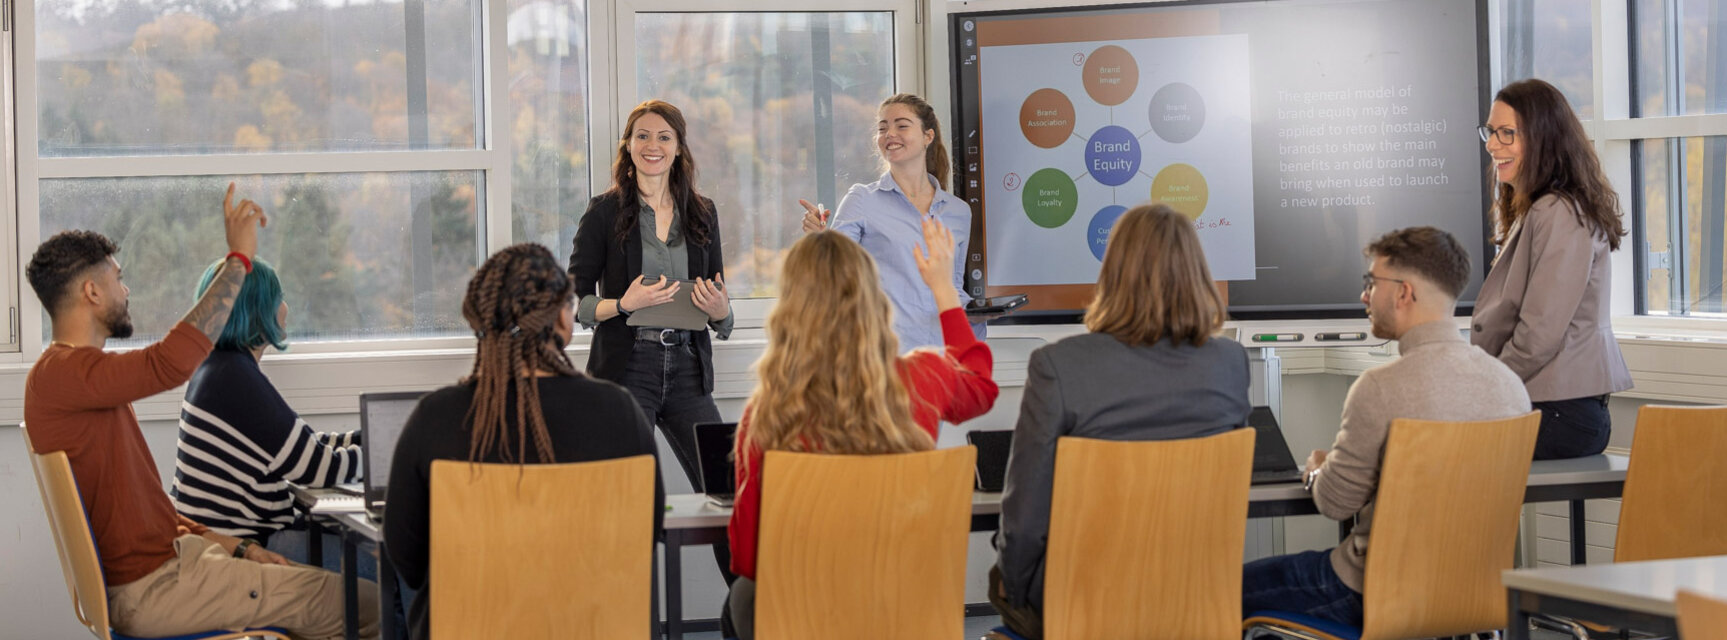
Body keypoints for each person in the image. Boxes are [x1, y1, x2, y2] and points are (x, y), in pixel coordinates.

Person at [23, 183, 379, 640]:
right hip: (157, 587)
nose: (125, 288)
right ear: (92, 291)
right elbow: (167, 361)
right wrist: (239, 259)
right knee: (366, 605)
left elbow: (152, 512)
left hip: (176, 562)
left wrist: (240, 548)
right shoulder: (65, 376)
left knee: (347, 595)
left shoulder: (81, 381)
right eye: (118, 277)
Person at [1240, 227, 1531, 626]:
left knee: (1218, 588)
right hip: (1479, 592)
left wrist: (1317, 471)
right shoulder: (1510, 387)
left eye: (1370, 283)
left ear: (1403, 293)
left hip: (1369, 592)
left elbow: (1334, 504)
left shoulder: (1379, 389)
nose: (1364, 296)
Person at [724, 220, 998, 639]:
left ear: (788, 313)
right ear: (875, 301)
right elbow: (980, 384)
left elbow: (747, 555)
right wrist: (943, 289)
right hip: (901, 608)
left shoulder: (766, 414)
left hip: (802, 617)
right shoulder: (924, 379)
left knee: (742, 595)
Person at [988, 204, 1250, 639]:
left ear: (1113, 271)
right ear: (1196, 271)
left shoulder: (1058, 365)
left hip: (1081, 602)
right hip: (1192, 597)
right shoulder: (1230, 363)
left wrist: (1011, 587)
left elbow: (1025, 517)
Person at [384, 243, 662, 640]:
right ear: (563, 319)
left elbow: (408, 563)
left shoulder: (435, 418)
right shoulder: (620, 413)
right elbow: (641, 543)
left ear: (479, 320)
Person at [570, 99, 731, 494]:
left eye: (664, 137)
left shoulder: (702, 212)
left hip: (689, 368)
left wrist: (722, 312)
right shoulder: (603, 212)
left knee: (727, 488)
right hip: (627, 369)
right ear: (628, 145)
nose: (652, 145)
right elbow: (574, 302)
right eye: (642, 136)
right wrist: (624, 304)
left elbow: (719, 303)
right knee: (628, 494)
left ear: (678, 148)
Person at [1473, 78, 1633, 460]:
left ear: (1543, 138)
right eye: (1491, 132)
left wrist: (1486, 388)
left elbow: (1538, 335)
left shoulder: (1558, 212)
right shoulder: (1542, 208)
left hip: (1561, 411)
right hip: (1552, 404)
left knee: (1427, 444)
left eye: (1507, 133)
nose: (1493, 144)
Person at [171, 257, 364, 562]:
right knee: (398, 561)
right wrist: (385, 456)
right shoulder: (236, 379)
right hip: (251, 549)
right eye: (280, 298)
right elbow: (318, 470)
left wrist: (362, 439)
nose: (285, 307)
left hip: (221, 544)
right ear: (258, 310)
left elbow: (302, 446)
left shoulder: (219, 368)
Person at [798, 93, 979, 350]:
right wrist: (818, 239)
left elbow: (954, 289)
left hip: (944, 358)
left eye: (901, 125)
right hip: (885, 358)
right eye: (883, 128)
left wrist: (976, 323)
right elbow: (833, 277)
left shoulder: (958, 212)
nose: (889, 133)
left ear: (928, 136)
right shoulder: (862, 199)